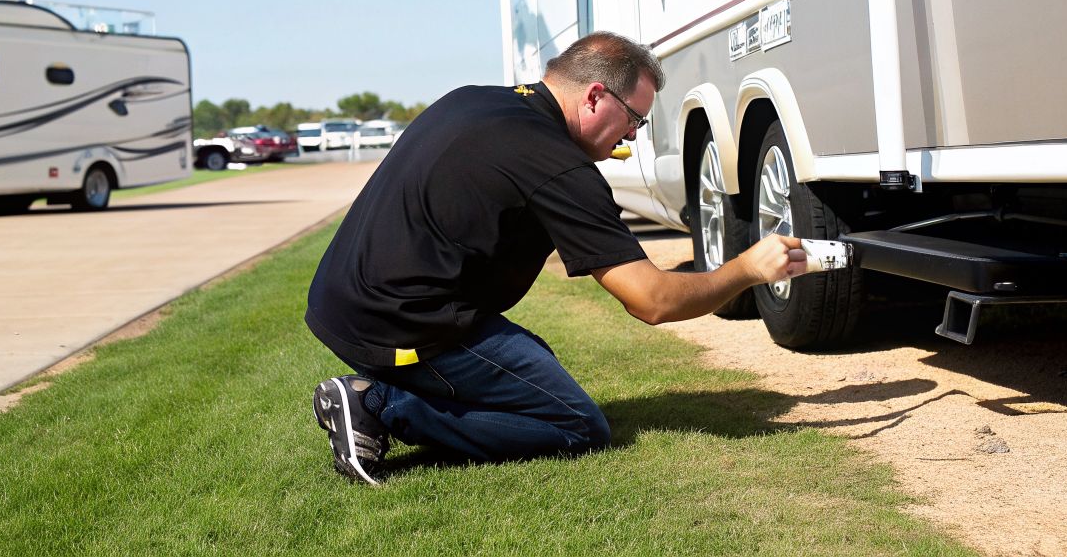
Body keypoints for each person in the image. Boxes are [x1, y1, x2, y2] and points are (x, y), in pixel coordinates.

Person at [306, 31, 813, 484]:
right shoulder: (555, 163)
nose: (634, 136)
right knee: (575, 425)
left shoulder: (476, 102)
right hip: (401, 323)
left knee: (533, 359)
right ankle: (376, 405)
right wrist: (746, 268)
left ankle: (390, 391)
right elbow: (652, 301)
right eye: (635, 118)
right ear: (595, 96)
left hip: (341, 302)